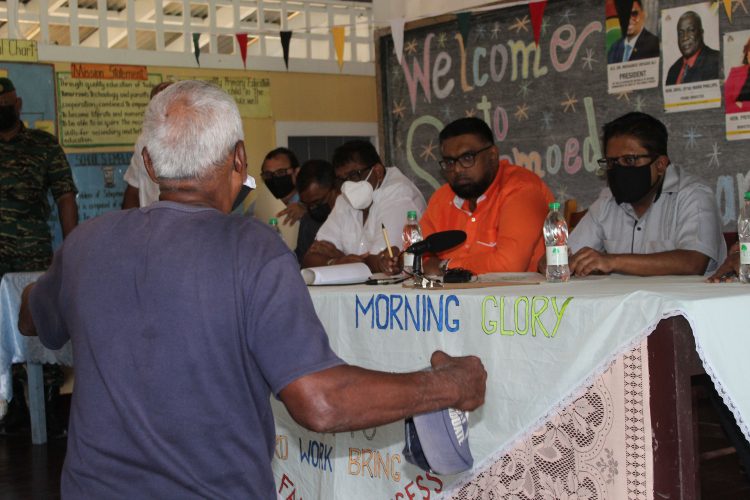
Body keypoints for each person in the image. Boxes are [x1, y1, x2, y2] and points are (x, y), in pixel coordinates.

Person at [17, 80, 487, 498]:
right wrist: (447, 384)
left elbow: (31, 317)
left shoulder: (86, 245)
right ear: (239, 159)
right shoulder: (251, 250)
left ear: (148, 164)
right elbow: (320, 401)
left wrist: (58, 289)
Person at [0, 76, 78, 435]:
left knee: (36, 323)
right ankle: (11, 401)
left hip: (31, 252)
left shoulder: (43, 146)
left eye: (5, 105)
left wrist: (72, 248)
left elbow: (65, 195)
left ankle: (46, 400)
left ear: (17, 106)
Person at [566, 112, 726, 277]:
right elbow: (567, 258)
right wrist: (554, 261)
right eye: (612, 162)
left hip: (681, 301)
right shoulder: (607, 202)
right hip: (625, 301)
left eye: (629, 160)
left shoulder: (694, 195)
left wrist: (611, 261)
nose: (619, 170)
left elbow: (693, 262)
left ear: (660, 165)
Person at [419, 117, 554, 276]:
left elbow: (509, 265)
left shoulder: (521, 189)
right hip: (457, 298)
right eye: (449, 162)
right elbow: (416, 255)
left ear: (492, 155)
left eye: (467, 158)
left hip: (520, 298)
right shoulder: (441, 197)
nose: (457, 169)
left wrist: (445, 266)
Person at [302, 140, 426, 275]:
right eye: (341, 179)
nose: (347, 185)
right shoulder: (345, 199)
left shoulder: (398, 194)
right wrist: (336, 262)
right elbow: (309, 259)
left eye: (354, 175)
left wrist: (340, 257)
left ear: (377, 171)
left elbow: (384, 262)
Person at [121, 81, 172, 209]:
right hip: (151, 224)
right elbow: (133, 190)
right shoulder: (144, 142)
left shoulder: (196, 143)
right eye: (157, 104)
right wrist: (132, 227)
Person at [295, 159, 339, 264]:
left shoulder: (356, 214)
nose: (313, 208)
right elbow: (302, 262)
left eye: (317, 202)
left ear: (336, 187)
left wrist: (339, 257)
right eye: (307, 204)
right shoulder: (309, 220)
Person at [665, 10, 720, 85]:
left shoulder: (716, 61)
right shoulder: (673, 70)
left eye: (691, 30)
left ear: (701, 33)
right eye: (680, 33)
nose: (685, 37)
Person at [261, 147, 306, 225]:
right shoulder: (258, 206)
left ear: (296, 172)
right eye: (268, 174)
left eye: (281, 172)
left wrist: (306, 213)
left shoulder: (311, 202)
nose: (274, 178)